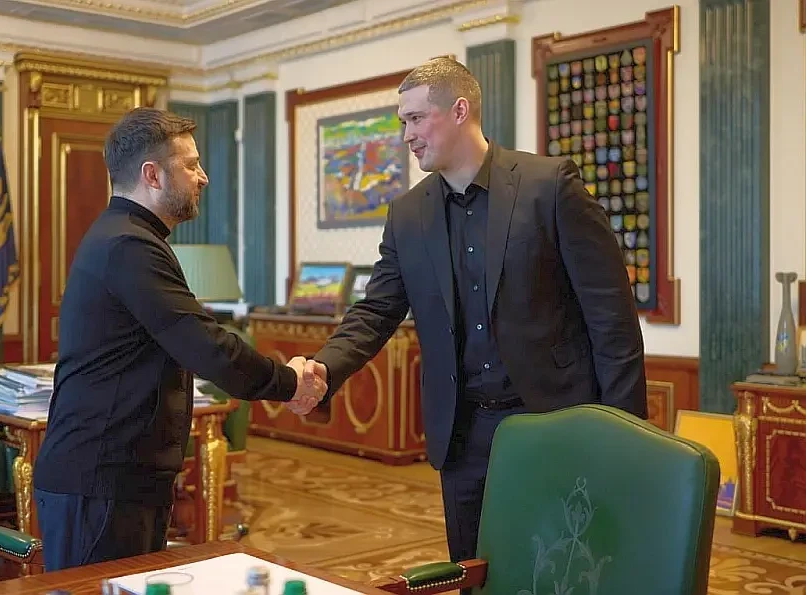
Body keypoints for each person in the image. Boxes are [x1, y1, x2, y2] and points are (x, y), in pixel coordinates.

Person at [291, 56, 647, 588]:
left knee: (563, 577)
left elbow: (612, 318)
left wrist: (624, 437)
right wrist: (324, 368)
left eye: (416, 119)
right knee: (475, 576)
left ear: (460, 111)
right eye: (402, 122)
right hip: (463, 436)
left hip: (554, 422)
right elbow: (377, 310)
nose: (406, 136)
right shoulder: (407, 215)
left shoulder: (550, 186)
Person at [32, 107, 326, 571]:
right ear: (152, 175)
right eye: (191, 165)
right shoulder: (129, 245)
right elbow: (206, 345)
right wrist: (289, 383)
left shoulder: (129, 237)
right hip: (101, 481)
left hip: (117, 478)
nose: (203, 177)